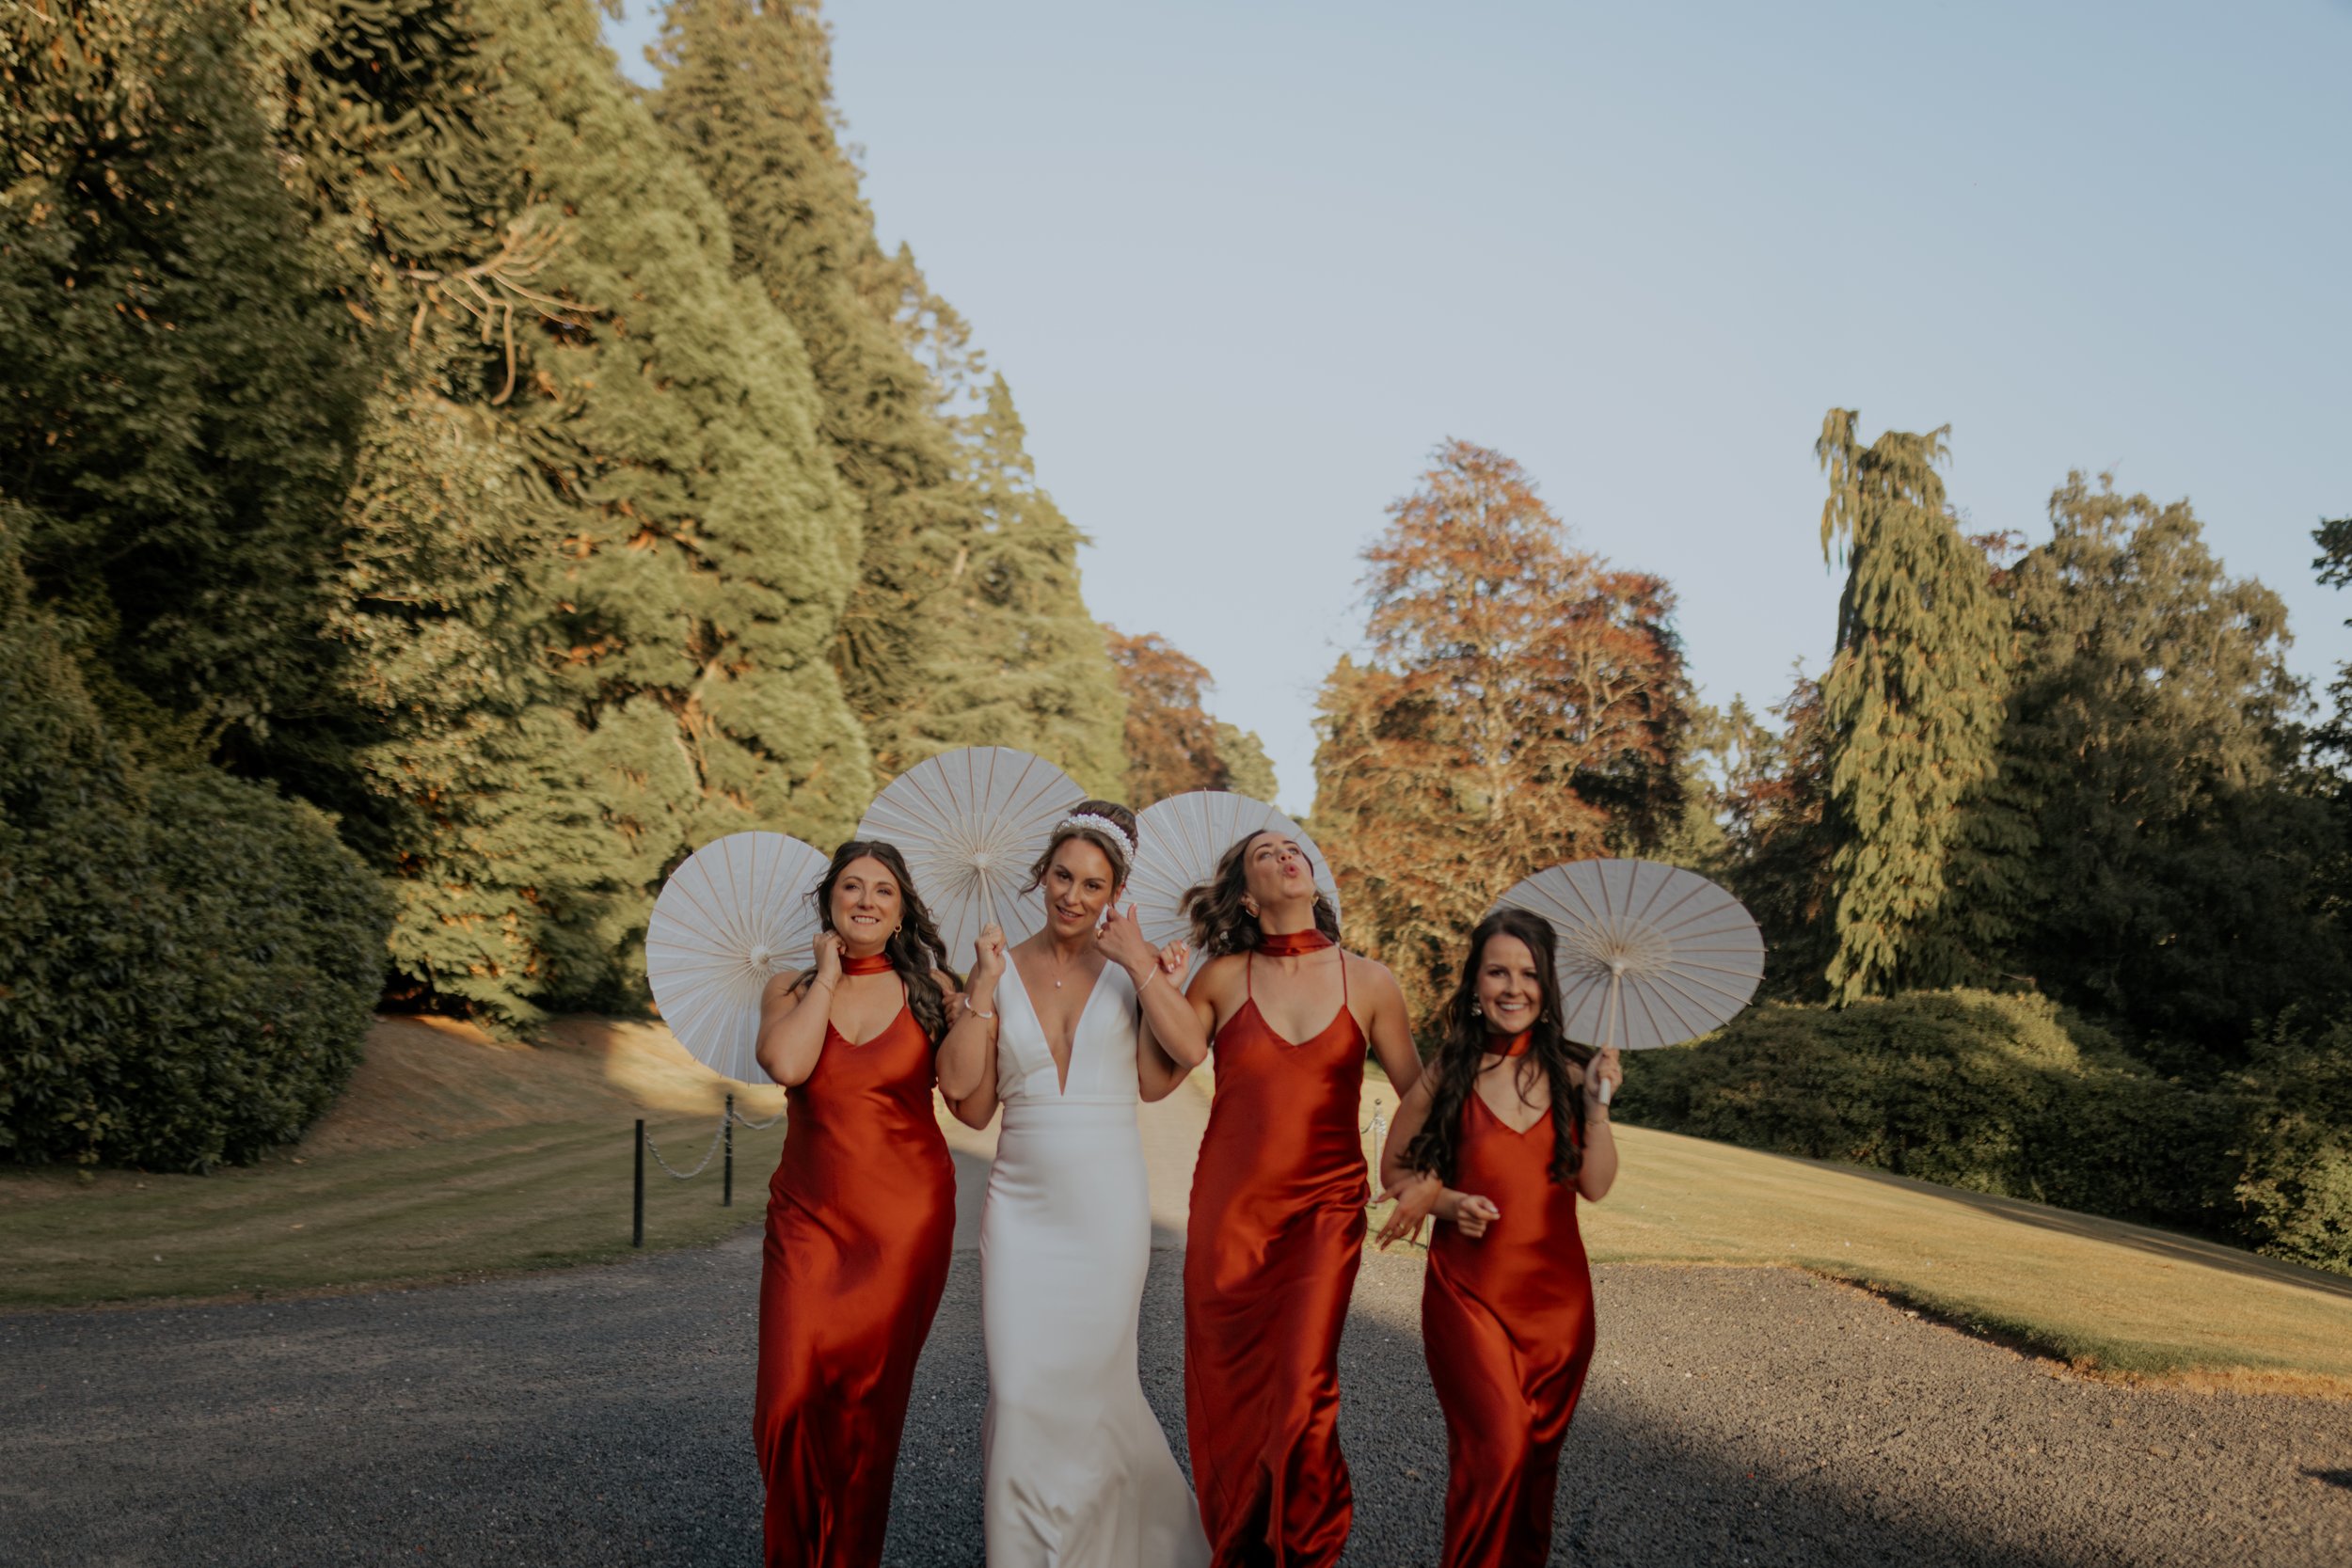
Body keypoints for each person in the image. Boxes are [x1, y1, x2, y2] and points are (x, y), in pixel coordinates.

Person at [935, 800, 1213, 1568]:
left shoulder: (1133, 963)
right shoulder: (995, 963)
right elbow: (969, 1098)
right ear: (1041, 874)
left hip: (1107, 1211)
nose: (1073, 895)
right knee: (1022, 1391)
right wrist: (983, 989)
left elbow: (1172, 1066)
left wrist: (1147, 973)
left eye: (1094, 883)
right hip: (1021, 1210)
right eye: (1063, 875)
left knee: (1095, 1389)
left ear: (1116, 890)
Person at [1173, 828, 1426, 1566]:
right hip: (1229, 1213)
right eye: (1265, 853)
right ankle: (1240, 1545)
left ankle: (1308, 1551)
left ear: (1312, 879)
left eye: (1295, 849)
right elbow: (1160, 1070)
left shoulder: (1370, 980)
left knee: (1305, 1387)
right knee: (1228, 1392)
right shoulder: (1219, 976)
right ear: (1248, 896)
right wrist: (1145, 971)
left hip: (1325, 1209)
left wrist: (1422, 1172)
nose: (1288, 855)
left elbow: (1420, 1093)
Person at [1375, 908, 1621, 1568]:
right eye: (1498, 971)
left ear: (1548, 986)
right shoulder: (1448, 1073)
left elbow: (1595, 1186)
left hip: (1561, 1311)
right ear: (1476, 983)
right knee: (1499, 1451)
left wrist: (1598, 1104)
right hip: (1468, 1297)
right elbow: (1394, 1170)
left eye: (1529, 973)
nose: (1514, 987)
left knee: (1535, 1473)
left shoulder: (1574, 1076)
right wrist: (1449, 1201)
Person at [751, 840, 962, 1568]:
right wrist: (829, 975)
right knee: (783, 1404)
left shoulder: (936, 992)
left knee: (865, 1415)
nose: (867, 900)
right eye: (852, 886)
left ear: (902, 909)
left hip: (904, 1225)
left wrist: (984, 995)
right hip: (807, 1220)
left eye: (883, 890)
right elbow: (788, 1063)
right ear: (830, 900)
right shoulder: (789, 986)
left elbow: (972, 1101)